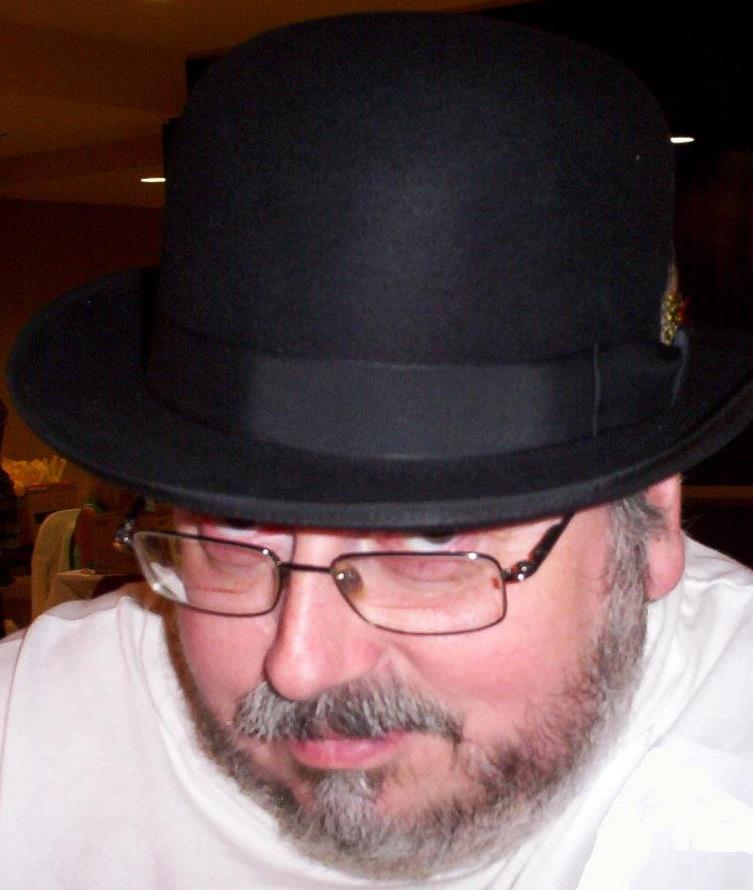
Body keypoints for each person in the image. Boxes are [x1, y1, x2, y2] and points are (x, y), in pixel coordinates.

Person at [2, 13, 753, 889]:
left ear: (651, 525)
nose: (297, 666)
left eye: (430, 543)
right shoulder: (31, 731)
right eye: (231, 531)